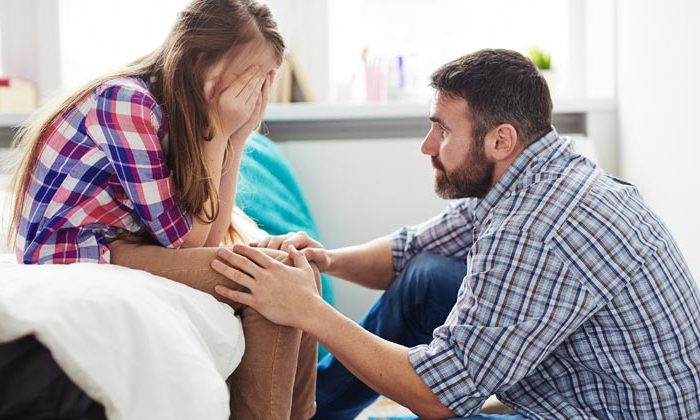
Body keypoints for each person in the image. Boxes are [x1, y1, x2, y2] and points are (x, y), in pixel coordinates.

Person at [211, 49, 700, 419]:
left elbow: (441, 395)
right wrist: (326, 261)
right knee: (425, 275)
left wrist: (305, 309)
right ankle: (320, 412)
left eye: (442, 130)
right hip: (602, 383)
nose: (427, 145)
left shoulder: (532, 230)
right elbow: (413, 250)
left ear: (500, 139)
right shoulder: (536, 175)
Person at [7, 1, 316, 418]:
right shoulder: (125, 102)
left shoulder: (178, 112)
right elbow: (184, 240)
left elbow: (206, 236)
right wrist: (219, 131)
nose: (253, 95)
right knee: (270, 281)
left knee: (297, 271)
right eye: (248, 79)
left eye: (263, 82)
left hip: (125, 244)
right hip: (79, 250)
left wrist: (236, 138)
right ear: (203, 62)